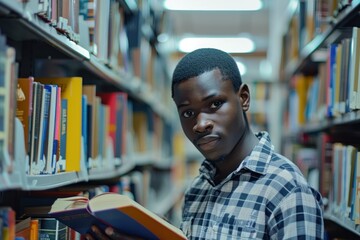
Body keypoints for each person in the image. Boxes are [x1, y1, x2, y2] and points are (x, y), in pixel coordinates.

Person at [86, 48, 324, 239]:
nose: (200, 124)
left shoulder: (289, 192)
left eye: (214, 105)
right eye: (188, 113)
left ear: (243, 98)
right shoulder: (197, 189)